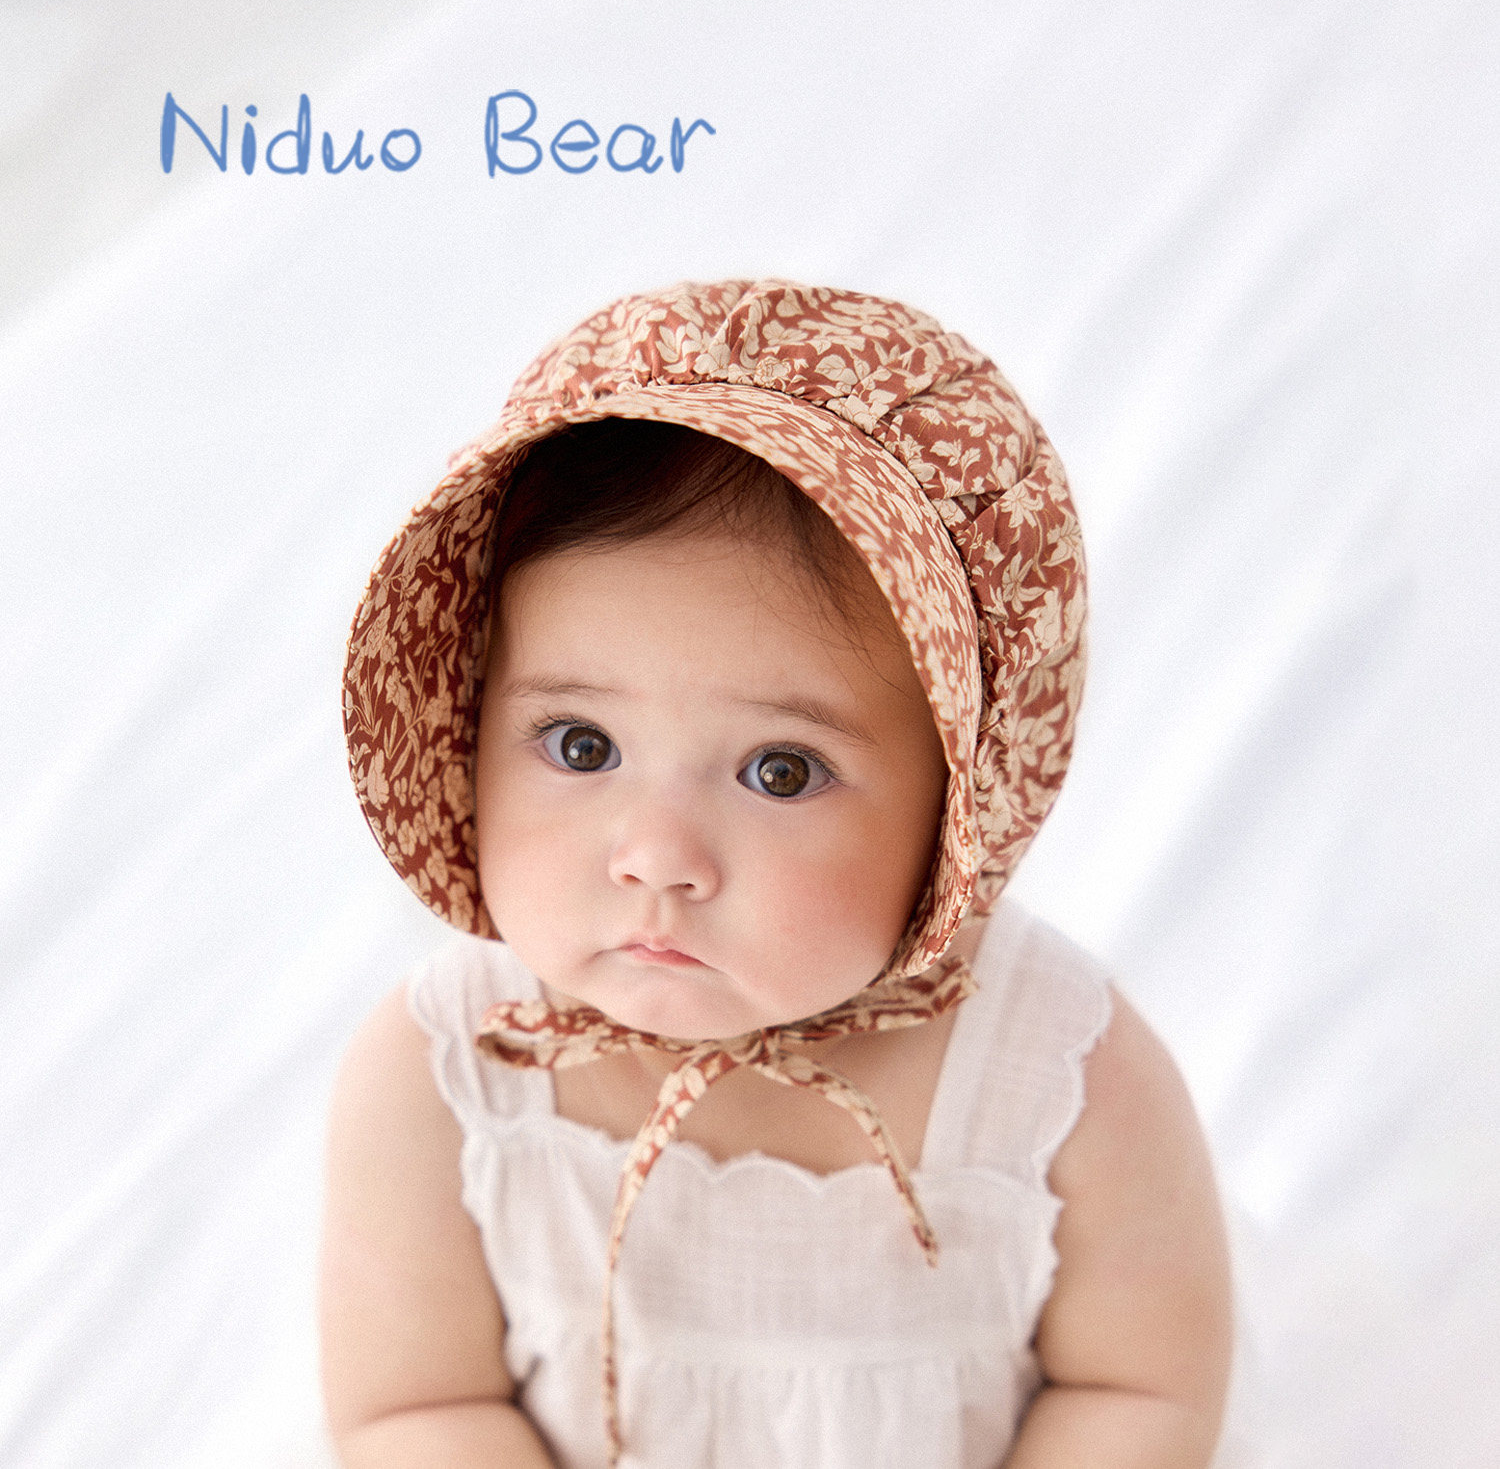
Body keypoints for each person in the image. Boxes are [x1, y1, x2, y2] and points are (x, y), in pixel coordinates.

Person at [320, 279, 1233, 1467]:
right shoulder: (456, 1071)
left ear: (961, 808)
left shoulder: (1053, 1074)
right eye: (581, 746)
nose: (657, 858)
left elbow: (1138, 1387)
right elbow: (415, 1409)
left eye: (782, 771)